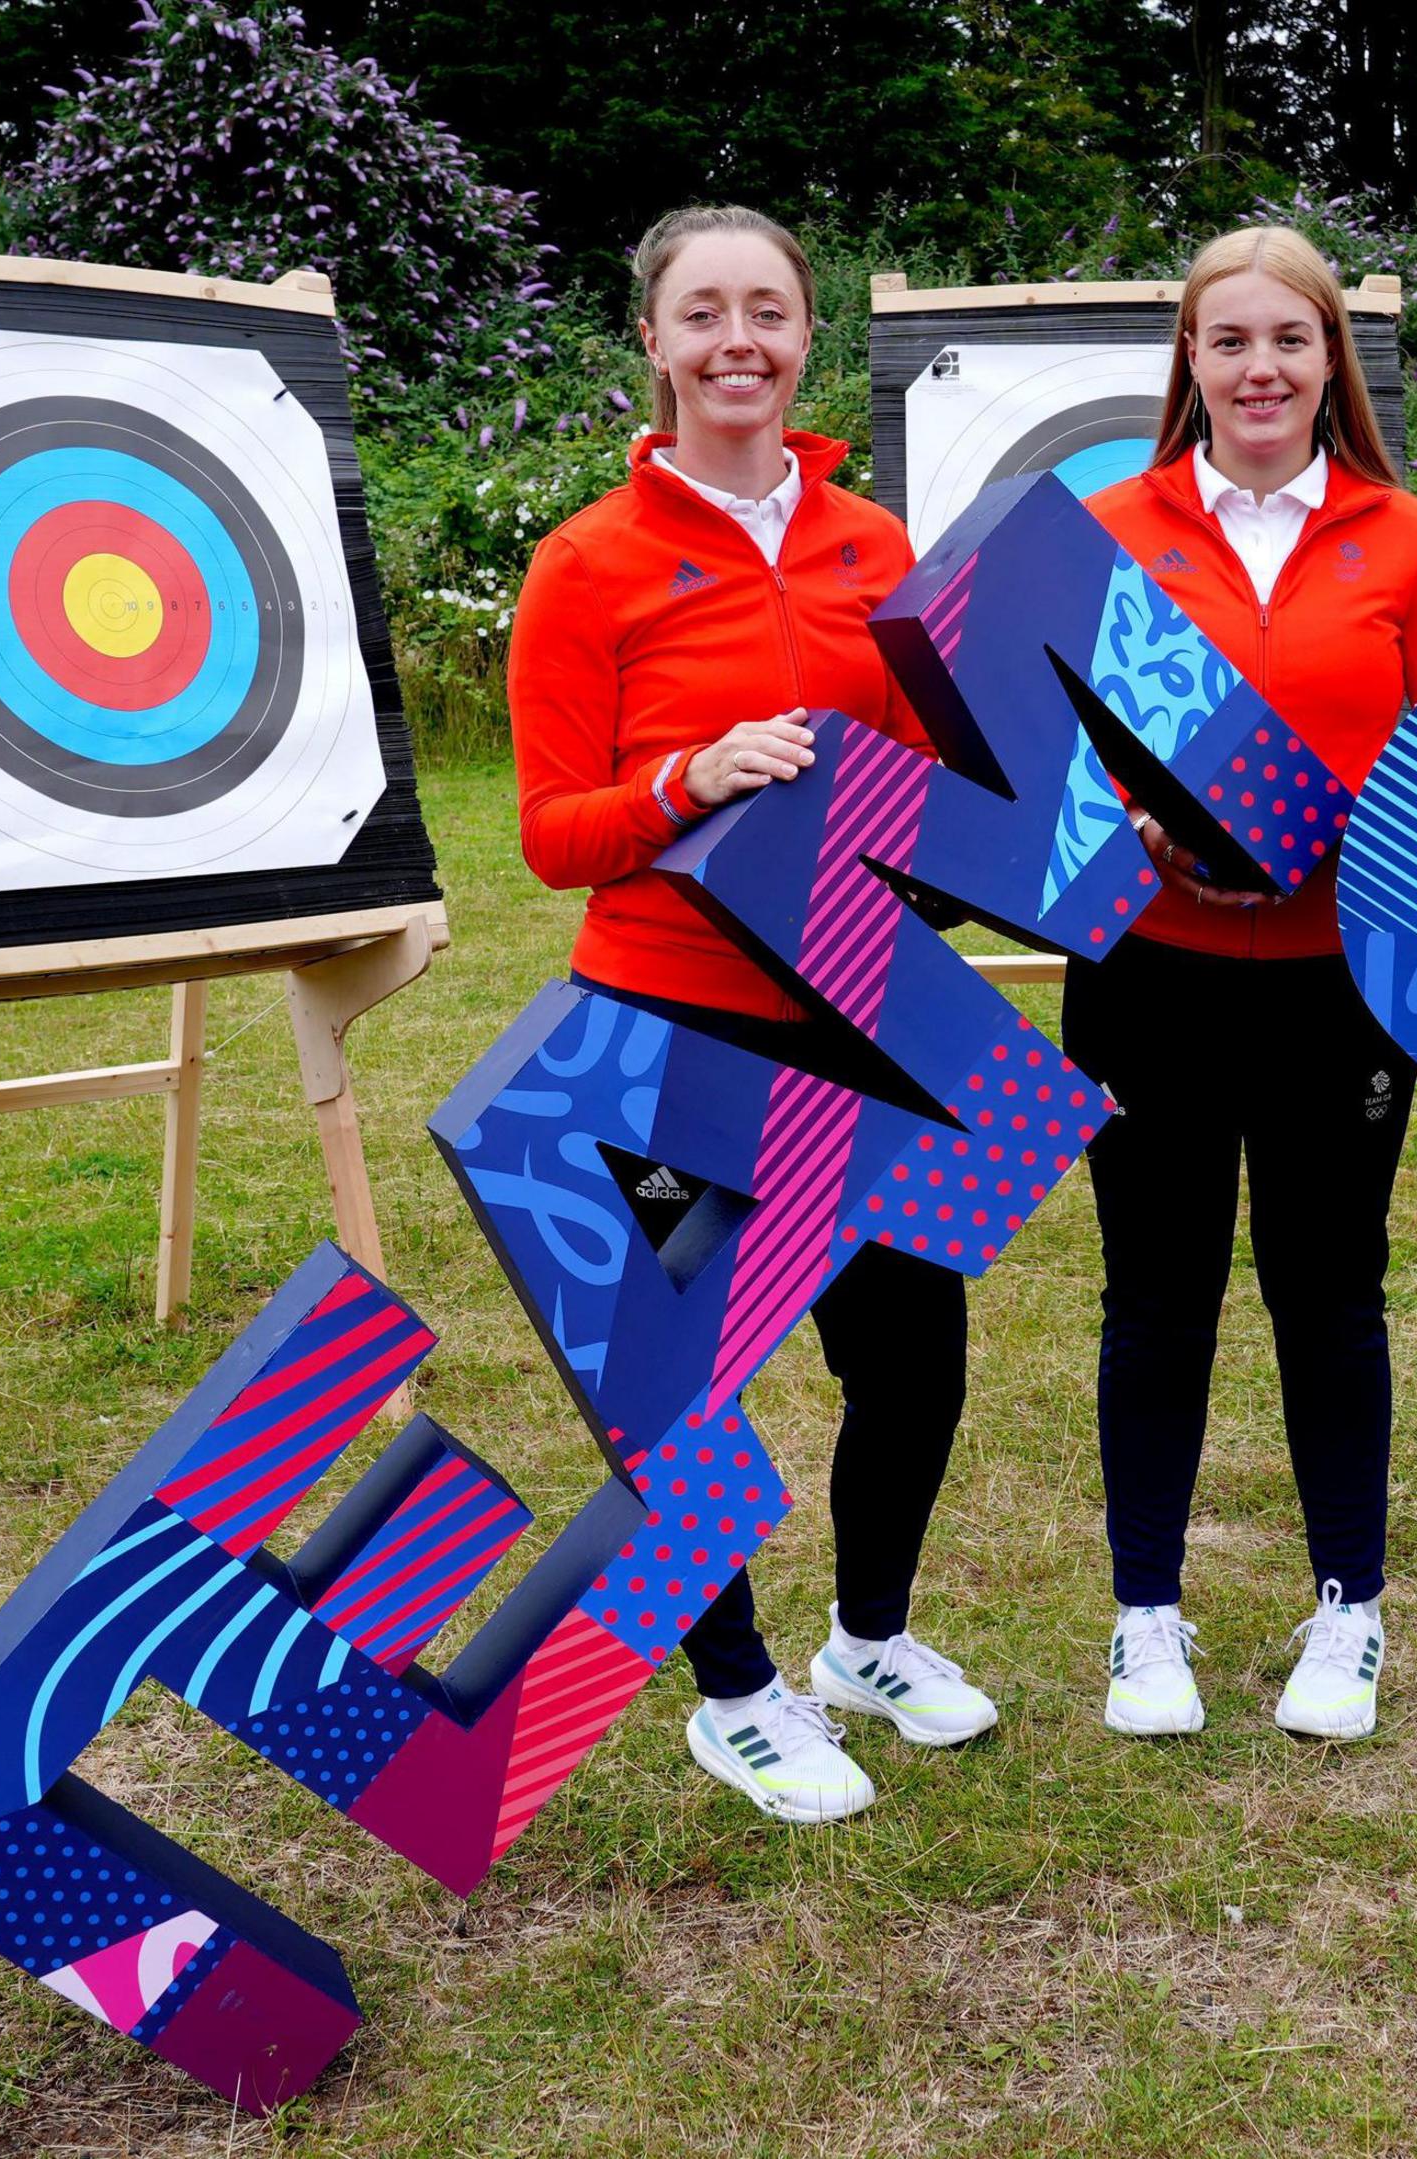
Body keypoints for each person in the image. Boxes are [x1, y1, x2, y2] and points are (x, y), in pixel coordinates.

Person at [507, 205, 993, 1825]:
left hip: (865, 1008)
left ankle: (868, 1643)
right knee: (679, 1383)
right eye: (703, 312)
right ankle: (732, 1696)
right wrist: (683, 781)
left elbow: (946, 775)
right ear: (651, 340)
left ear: (806, 339)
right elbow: (553, 831)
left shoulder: (879, 547)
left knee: (915, 1360)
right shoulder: (587, 564)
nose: (739, 342)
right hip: (662, 1032)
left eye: (768, 311)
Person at [1067, 226, 1417, 1742]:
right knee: (1157, 1300)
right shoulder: (1106, 529)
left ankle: (1348, 1615)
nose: (1259, 368)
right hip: (1148, 982)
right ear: (1188, 360)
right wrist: (1127, 841)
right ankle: (1146, 1620)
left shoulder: (1410, 543)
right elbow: (1037, 773)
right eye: (1228, 340)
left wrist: (1335, 844)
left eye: (1289, 341)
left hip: (1340, 988)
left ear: (1335, 363)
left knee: (1329, 1296)